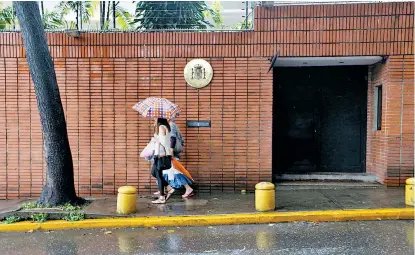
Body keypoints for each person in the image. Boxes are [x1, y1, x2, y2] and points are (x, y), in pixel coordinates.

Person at [153, 120, 194, 199]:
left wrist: (170, 152)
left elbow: (172, 138)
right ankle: (163, 189)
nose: (154, 119)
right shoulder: (165, 126)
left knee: (175, 171)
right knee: (164, 171)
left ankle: (188, 189)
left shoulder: (170, 125)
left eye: (155, 118)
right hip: (165, 153)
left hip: (168, 153)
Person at [151, 118, 173, 204]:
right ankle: (169, 187)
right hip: (161, 154)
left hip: (161, 154)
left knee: (157, 174)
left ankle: (162, 197)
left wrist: (155, 140)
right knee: (154, 172)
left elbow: (163, 141)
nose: (154, 121)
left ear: (159, 120)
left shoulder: (161, 127)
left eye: (155, 119)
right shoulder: (165, 127)